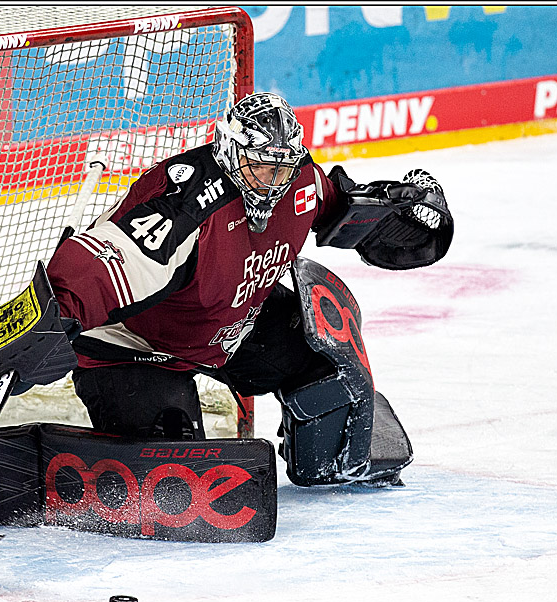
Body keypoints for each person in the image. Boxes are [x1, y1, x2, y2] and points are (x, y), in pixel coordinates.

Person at [44, 92, 453, 487]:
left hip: (232, 320)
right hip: (136, 345)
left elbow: (336, 210)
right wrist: (56, 311)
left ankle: (326, 466)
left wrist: (394, 213)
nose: (271, 183)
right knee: (174, 480)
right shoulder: (186, 204)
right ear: (229, 151)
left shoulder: (300, 181)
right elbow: (102, 263)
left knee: (327, 370)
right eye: (259, 168)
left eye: (281, 169)